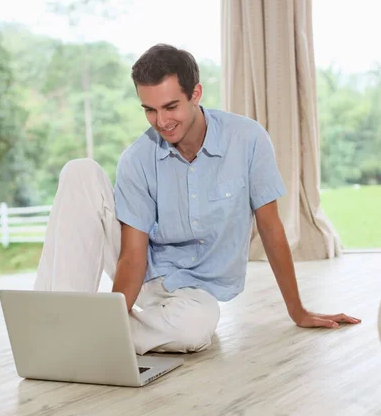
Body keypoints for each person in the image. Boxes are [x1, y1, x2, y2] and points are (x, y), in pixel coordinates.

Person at [34, 44, 361, 355]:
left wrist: (298, 311)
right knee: (80, 171)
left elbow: (271, 228)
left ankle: (92, 334)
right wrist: (120, 307)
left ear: (195, 94)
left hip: (194, 290)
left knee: (195, 329)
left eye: (170, 106)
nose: (161, 121)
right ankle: (56, 324)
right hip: (139, 269)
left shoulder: (247, 140)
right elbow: (133, 257)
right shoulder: (137, 158)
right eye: (149, 110)